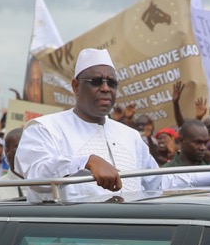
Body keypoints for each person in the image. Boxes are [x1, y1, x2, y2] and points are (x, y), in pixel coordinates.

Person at [14, 48, 161, 201]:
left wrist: (188, 176)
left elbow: (157, 182)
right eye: (96, 82)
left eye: (111, 83)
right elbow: (35, 175)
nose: (105, 88)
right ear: (76, 87)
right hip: (75, 224)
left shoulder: (130, 135)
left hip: (133, 223)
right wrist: (85, 162)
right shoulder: (45, 128)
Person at [162, 120, 210, 190]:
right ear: (182, 140)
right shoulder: (166, 172)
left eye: (205, 143)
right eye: (198, 142)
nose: (203, 148)